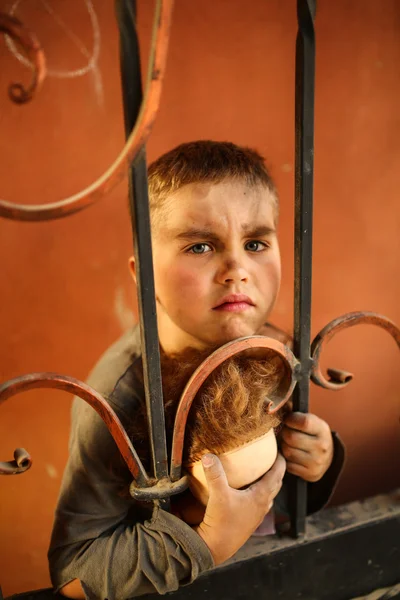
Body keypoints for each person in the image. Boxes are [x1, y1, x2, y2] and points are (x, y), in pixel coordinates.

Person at [49, 141, 345, 599]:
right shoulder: (115, 398)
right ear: (143, 273)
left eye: (255, 243)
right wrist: (205, 543)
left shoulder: (273, 348)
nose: (237, 269)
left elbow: (274, 493)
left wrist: (315, 461)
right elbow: (72, 572)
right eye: (200, 245)